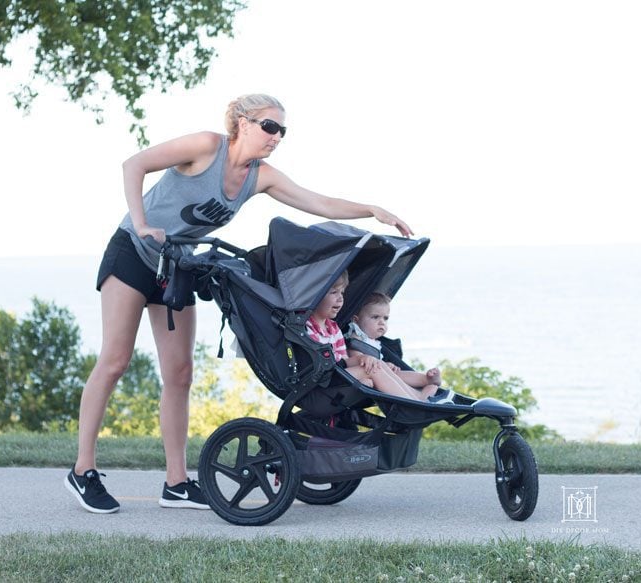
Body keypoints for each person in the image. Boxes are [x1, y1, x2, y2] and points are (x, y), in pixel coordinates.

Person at [65, 94, 414, 514]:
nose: (277, 137)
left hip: (177, 266)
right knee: (116, 360)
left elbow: (315, 201)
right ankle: (83, 469)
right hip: (134, 254)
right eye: (270, 127)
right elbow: (133, 165)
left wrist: (371, 210)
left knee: (179, 373)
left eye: (282, 130)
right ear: (243, 123)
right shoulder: (206, 147)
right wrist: (142, 223)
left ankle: (176, 483)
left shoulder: (258, 176)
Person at [305, 273, 440, 402]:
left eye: (342, 293)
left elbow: (344, 361)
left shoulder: (333, 328)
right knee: (371, 368)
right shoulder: (307, 328)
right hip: (325, 381)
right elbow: (322, 366)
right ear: (316, 295)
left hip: (340, 375)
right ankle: (413, 403)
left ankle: (417, 398)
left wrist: (363, 359)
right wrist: (360, 363)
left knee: (376, 363)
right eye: (334, 292)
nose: (340, 298)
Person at [347, 292, 453, 403]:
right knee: (393, 375)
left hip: (379, 374)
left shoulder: (371, 339)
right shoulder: (356, 339)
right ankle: (418, 399)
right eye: (375, 317)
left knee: (397, 374)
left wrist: (386, 366)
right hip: (369, 377)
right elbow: (361, 364)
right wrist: (383, 366)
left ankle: (426, 380)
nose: (381, 322)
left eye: (385, 318)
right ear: (356, 320)